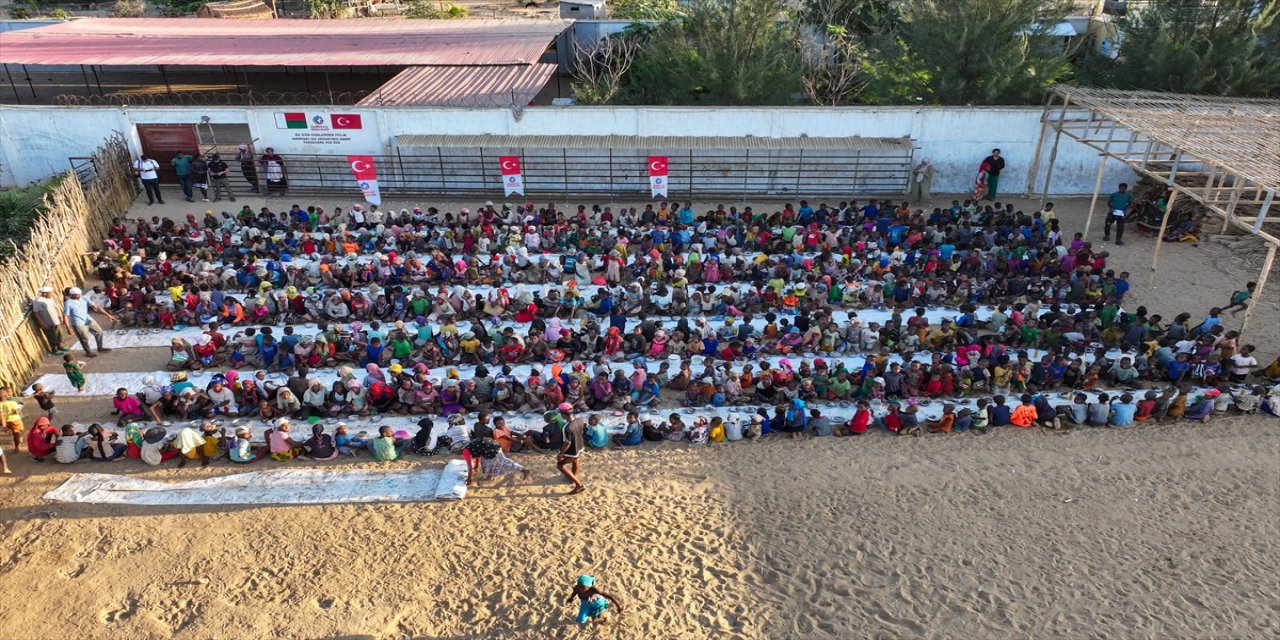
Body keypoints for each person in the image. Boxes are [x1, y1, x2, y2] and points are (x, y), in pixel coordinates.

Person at [63, 287, 113, 357]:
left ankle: (100, 347)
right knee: (85, 338)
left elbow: (97, 307)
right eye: (78, 294)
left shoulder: (84, 298)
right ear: (73, 295)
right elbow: (65, 316)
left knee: (99, 331)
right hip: (78, 323)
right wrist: (68, 328)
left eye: (80, 294)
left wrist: (108, 315)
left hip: (88, 319)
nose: (80, 295)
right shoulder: (68, 303)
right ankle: (88, 352)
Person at [556, 403, 587, 494]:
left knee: (560, 466)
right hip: (579, 445)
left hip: (571, 450)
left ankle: (579, 485)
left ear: (563, 415)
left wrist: (561, 453)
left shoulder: (566, 428)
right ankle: (573, 476)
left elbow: (567, 442)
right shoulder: (580, 420)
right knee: (575, 461)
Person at [32, 286, 68, 355]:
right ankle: (54, 349)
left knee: (59, 333)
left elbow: (55, 307)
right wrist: (42, 323)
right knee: (51, 336)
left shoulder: (50, 298)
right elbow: (36, 314)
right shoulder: (38, 301)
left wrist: (60, 316)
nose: (52, 294)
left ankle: (60, 346)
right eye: (50, 293)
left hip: (55, 320)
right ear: (45, 293)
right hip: (47, 322)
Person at [0, 387, 24, 451]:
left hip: (7, 421)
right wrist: (18, 410)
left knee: (14, 431)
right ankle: (17, 447)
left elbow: (1, 415)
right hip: (16, 420)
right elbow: (17, 412)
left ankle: (17, 442)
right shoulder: (13, 403)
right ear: (6, 395)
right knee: (17, 433)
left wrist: (3, 425)